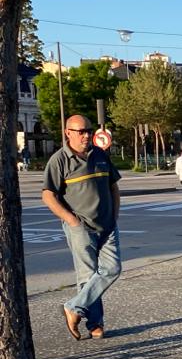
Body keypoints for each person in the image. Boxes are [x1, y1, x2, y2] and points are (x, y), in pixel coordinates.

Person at [42, 114, 122, 340]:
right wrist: (72, 221)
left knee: (112, 269)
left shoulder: (100, 155)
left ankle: (73, 308)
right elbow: (48, 196)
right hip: (81, 227)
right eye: (81, 131)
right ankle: (95, 324)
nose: (87, 135)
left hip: (107, 226)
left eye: (89, 130)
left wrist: (114, 215)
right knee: (88, 276)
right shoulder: (59, 160)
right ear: (68, 133)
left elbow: (113, 187)